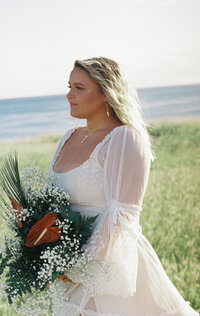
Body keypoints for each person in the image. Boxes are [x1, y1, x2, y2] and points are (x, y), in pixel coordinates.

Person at [48, 57, 198, 316]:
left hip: (107, 273)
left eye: (79, 88)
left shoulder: (124, 138)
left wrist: (80, 270)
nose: (69, 95)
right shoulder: (68, 137)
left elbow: (122, 216)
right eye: (69, 86)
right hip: (64, 269)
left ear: (106, 93)